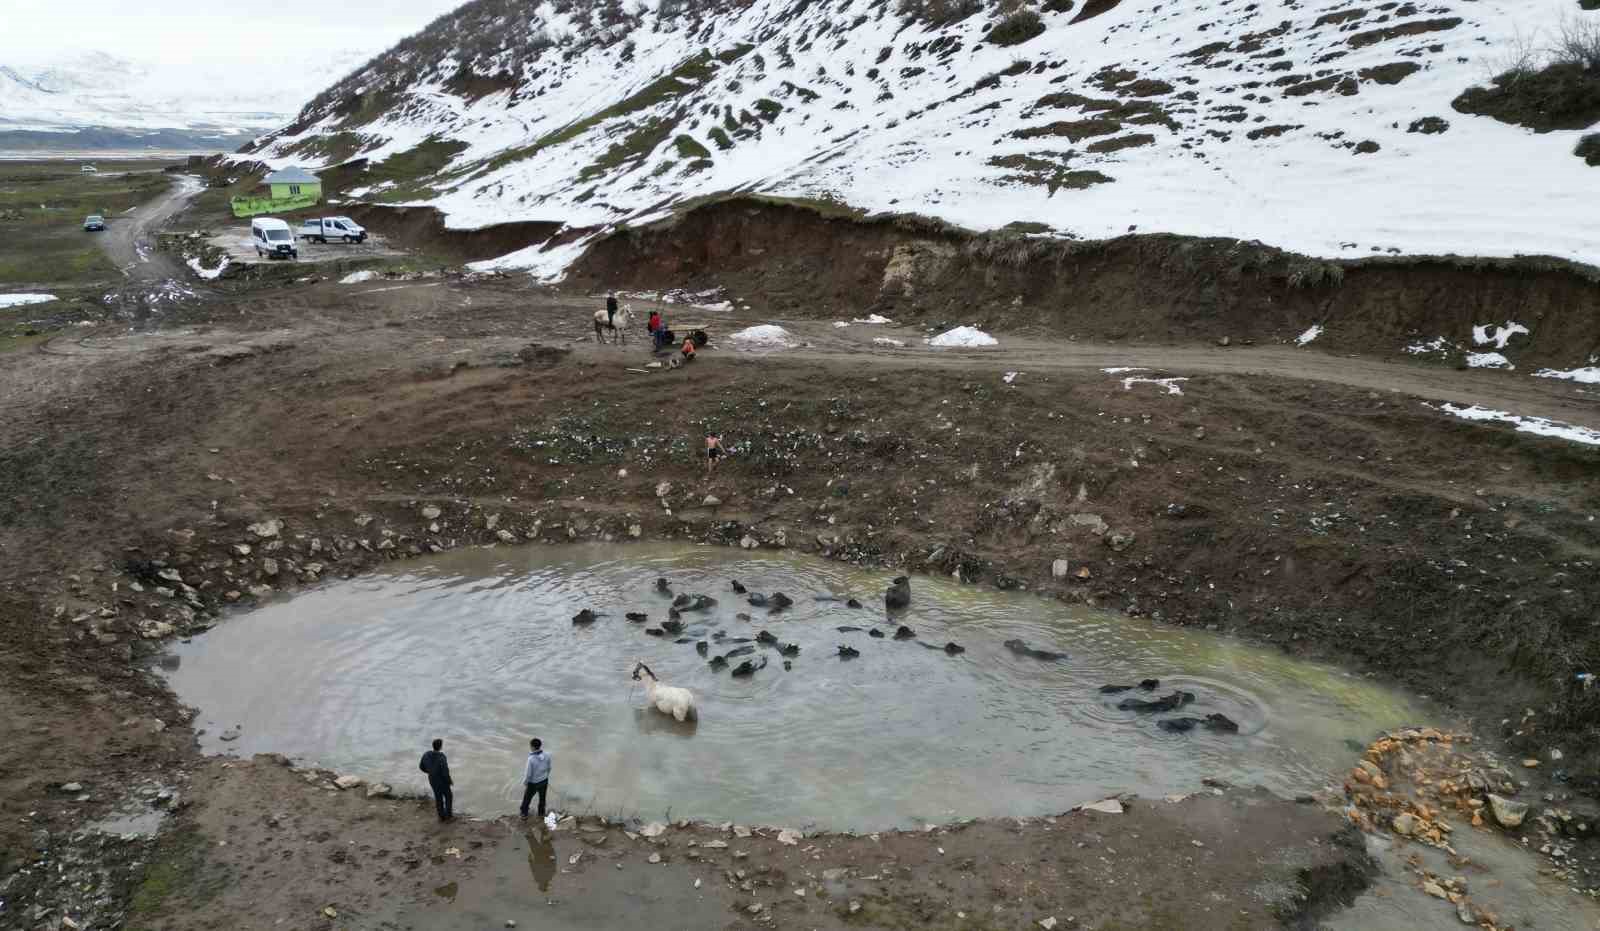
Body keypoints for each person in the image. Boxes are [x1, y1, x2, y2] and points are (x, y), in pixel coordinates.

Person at [419, 738, 453, 821]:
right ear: (440, 747)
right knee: (448, 796)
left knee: (438, 797)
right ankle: (448, 816)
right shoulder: (442, 757)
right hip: (442, 781)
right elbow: (445, 771)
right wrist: (449, 781)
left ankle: (441, 817)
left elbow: (421, 766)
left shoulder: (426, 754)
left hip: (432, 780)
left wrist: (430, 772)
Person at [520, 737, 552, 820]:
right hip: (544, 781)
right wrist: (545, 777)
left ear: (532, 747)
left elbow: (528, 774)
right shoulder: (547, 755)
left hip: (533, 783)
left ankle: (524, 814)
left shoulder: (531, 759)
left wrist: (525, 782)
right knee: (542, 798)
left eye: (530, 746)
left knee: (527, 799)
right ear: (540, 746)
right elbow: (549, 768)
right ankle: (541, 813)